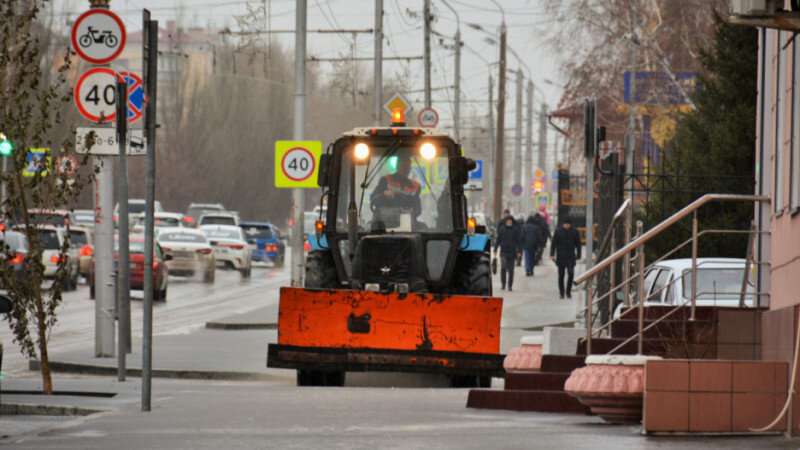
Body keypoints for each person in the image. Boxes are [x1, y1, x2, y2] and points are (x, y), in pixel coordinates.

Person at [370, 154, 421, 227]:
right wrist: (384, 195)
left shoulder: (415, 187)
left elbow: (418, 210)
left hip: (406, 227)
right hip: (383, 225)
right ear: (397, 166)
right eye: (403, 166)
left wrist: (412, 211)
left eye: (408, 166)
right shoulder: (385, 181)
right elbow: (373, 199)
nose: (406, 169)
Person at [550, 217, 581, 299]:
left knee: (571, 273)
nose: (566, 225)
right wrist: (552, 254)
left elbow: (578, 244)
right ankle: (561, 292)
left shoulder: (574, 231)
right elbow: (553, 244)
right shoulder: (558, 231)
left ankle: (568, 291)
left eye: (568, 224)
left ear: (570, 224)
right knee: (561, 275)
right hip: (561, 256)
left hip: (571, 256)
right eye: (565, 224)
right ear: (563, 224)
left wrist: (579, 255)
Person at [494, 215, 522, 291]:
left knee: (511, 270)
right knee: (503, 268)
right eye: (508, 220)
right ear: (506, 221)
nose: (509, 221)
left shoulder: (516, 230)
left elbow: (519, 242)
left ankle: (510, 285)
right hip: (503, 252)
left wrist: (519, 251)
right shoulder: (502, 229)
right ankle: (503, 284)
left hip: (512, 253)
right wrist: (495, 249)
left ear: (512, 221)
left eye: (510, 220)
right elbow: (498, 240)